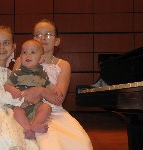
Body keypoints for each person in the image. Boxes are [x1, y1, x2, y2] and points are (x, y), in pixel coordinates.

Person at [13, 19, 93, 150]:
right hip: (24, 109)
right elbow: (13, 88)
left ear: (57, 41)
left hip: (52, 111)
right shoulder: (21, 60)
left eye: (48, 34)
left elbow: (57, 99)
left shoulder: (62, 65)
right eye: (38, 35)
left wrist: (40, 90)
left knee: (77, 142)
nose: (43, 38)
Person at [4, 39, 63, 139]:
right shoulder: (17, 73)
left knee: (46, 107)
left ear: (40, 59)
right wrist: (12, 90)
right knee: (16, 112)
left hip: (36, 106)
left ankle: (36, 123)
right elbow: (6, 85)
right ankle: (29, 129)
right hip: (20, 104)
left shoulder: (42, 75)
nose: (28, 55)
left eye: (33, 52)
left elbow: (49, 85)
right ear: (20, 57)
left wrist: (56, 89)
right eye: (24, 52)